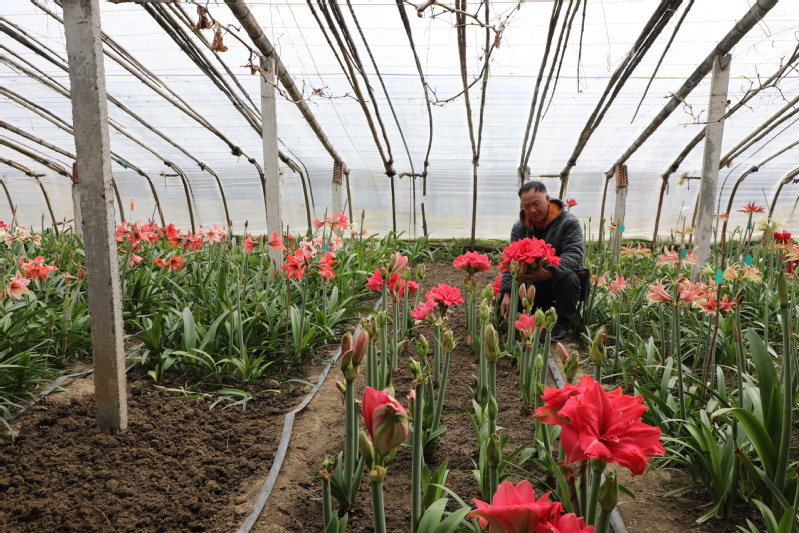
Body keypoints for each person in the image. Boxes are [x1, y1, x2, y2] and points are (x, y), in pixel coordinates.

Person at [499, 180, 585, 341]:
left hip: (557, 282)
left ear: (547, 199)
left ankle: (561, 325)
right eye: (526, 206)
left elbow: (575, 254)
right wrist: (507, 292)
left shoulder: (569, 222)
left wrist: (548, 272)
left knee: (570, 278)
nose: (532, 210)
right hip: (532, 283)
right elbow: (511, 262)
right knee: (504, 293)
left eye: (536, 204)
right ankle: (525, 322)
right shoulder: (519, 227)